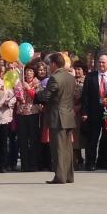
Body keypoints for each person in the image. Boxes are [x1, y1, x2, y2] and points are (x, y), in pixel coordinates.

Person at [35, 53, 76, 184]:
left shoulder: (55, 78)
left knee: (58, 148)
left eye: (49, 64)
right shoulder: (70, 77)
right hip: (68, 115)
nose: (48, 67)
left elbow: (46, 96)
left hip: (57, 116)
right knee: (67, 148)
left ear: (54, 64)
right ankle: (69, 176)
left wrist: (36, 93)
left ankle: (60, 176)